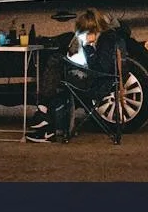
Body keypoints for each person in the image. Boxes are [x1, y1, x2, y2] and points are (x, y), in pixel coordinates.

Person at [24, 8, 123, 142]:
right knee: (56, 73)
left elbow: (100, 68)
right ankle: (45, 121)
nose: (83, 35)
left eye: (85, 32)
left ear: (93, 29)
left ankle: (43, 113)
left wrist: (88, 47)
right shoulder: (104, 38)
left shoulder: (106, 40)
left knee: (55, 63)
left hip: (97, 83)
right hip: (92, 78)